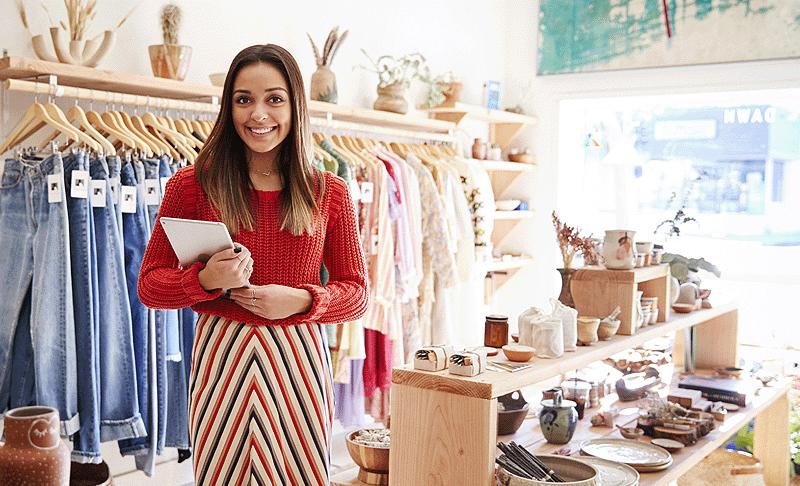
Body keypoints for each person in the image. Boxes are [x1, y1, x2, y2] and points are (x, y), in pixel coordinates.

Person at [138, 44, 369, 486]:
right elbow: (150, 285)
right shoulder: (191, 186)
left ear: (295, 105)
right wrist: (205, 279)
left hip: (297, 360)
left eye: (274, 99)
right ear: (229, 106)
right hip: (220, 357)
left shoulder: (329, 191)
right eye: (244, 99)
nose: (258, 114)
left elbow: (357, 293)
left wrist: (301, 300)